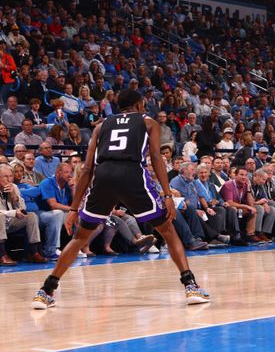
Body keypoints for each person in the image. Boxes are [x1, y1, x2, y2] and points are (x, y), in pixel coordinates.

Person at [31, 89, 211, 309]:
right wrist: (166, 194)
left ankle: (46, 290)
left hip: (104, 175)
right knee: (167, 230)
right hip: (132, 174)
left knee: (79, 237)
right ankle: (190, 285)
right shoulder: (148, 122)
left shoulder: (100, 126)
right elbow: (155, 157)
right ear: (138, 105)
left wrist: (73, 208)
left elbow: (87, 168)